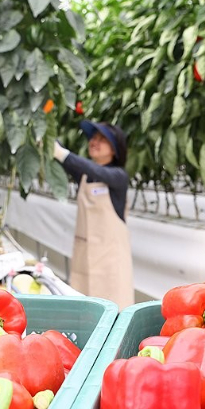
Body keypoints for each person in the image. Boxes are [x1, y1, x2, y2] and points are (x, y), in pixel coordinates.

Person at [53, 121, 135, 308]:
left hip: (111, 262)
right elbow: (71, 161)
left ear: (114, 150)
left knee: (113, 310)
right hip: (85, 255)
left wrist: (61, 153)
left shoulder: (118, 176)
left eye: (102, 139)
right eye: (93, 138)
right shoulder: (84, 175)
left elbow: (93, 169)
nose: (94, 142)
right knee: (86, 309)